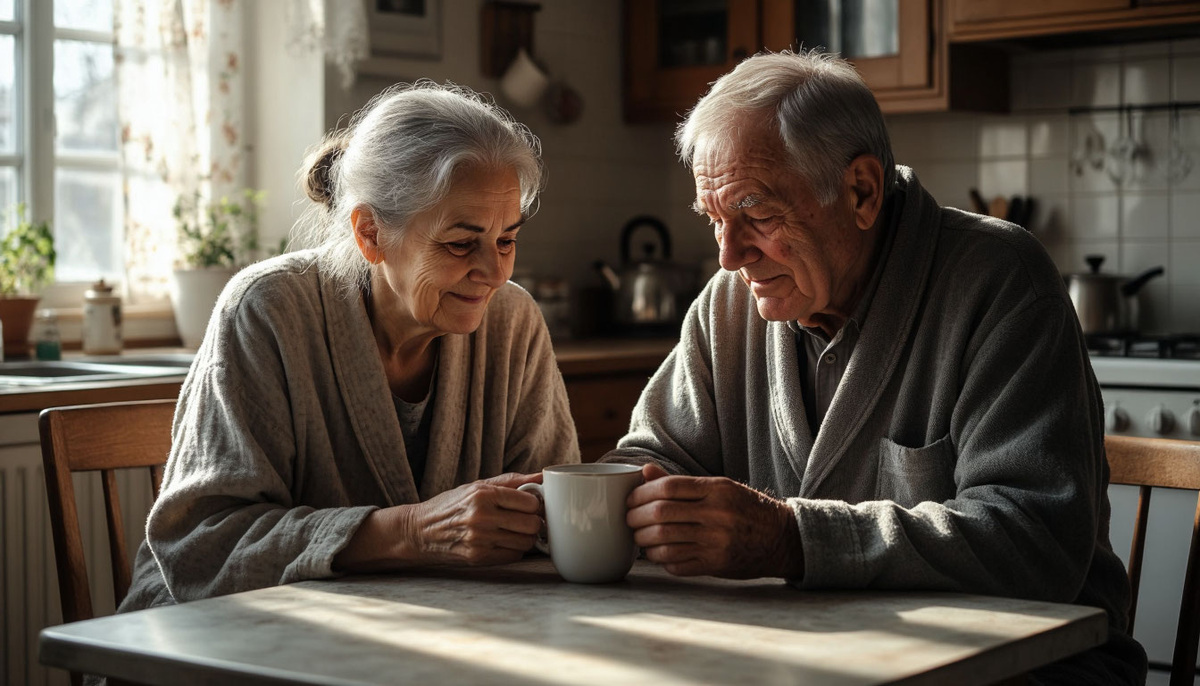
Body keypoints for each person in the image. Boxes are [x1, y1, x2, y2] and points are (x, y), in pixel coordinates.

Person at [603, 51, 1146, 684]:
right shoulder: (730, 305)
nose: (728, 256)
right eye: (715, 221)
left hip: (1031, 664)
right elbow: (651, 460)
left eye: (756, 213)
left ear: (861, 190)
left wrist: (790, 537)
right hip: (820, 651)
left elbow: (1034, 537)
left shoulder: (999, 281)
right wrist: (565, 505)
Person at [120, 81, 579, 611]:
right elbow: (203, 545)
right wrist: (411, 531)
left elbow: (551, 510)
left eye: (507, 240)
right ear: (370, 233)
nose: (495, 272)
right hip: (206, 638)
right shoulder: (269, 310)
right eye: (460, 243)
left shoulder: (513, 321)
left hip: (407, 628)